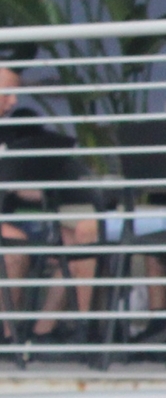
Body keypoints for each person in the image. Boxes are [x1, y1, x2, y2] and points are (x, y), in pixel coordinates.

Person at [0, 64, 104, 348]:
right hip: (8, 227)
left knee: (77, 241)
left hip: (13, 218)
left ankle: (43, 331)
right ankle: (10, 338)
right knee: (14, 246)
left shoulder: (8, 134)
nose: (14, 101)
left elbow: (18, 189)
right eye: (7, 93)